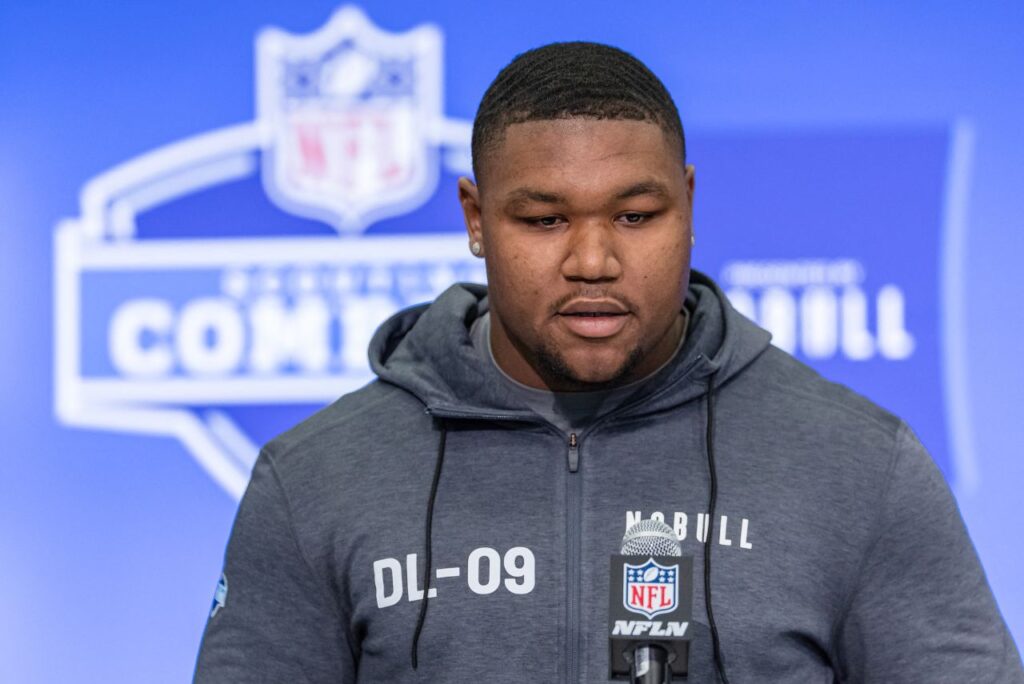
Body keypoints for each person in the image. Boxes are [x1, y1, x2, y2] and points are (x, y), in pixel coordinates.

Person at [194, 42, 1023, 682]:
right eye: (544, 220)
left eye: (634, 215)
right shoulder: (315, 481)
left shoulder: (857, 466)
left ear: (689, 205)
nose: (592, 259)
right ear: (476, 219)